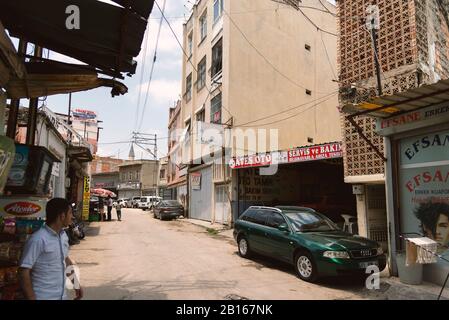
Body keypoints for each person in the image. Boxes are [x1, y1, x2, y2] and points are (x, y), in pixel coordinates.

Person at [18, 198, 83, 300]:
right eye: (70, 213)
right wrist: (31, 297)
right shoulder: (38, 239)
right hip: (43, 296)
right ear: (62, 216)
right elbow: (24, 271)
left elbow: (66, 261)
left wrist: (76, 284)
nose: (72, 216)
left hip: (62, 296)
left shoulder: (63, 236)